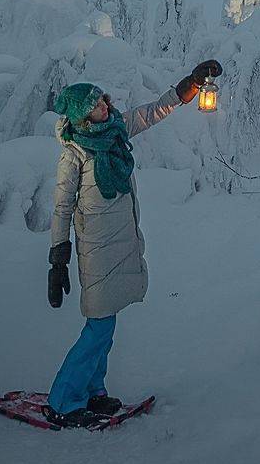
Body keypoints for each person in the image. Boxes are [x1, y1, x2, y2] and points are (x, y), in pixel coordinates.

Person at [45, 58, 222, 429]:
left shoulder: (115, 131)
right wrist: (58, 257)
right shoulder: (74, 153)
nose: (104, 107)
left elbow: (154, 111)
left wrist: (189, 84)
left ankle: (93, 391)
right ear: (81, 116)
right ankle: (64, 399)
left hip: (121, 241)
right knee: (99, 325)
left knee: (106, 323)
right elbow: (62, 206)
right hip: (95, 246)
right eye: (95, 105)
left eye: (103, 101)